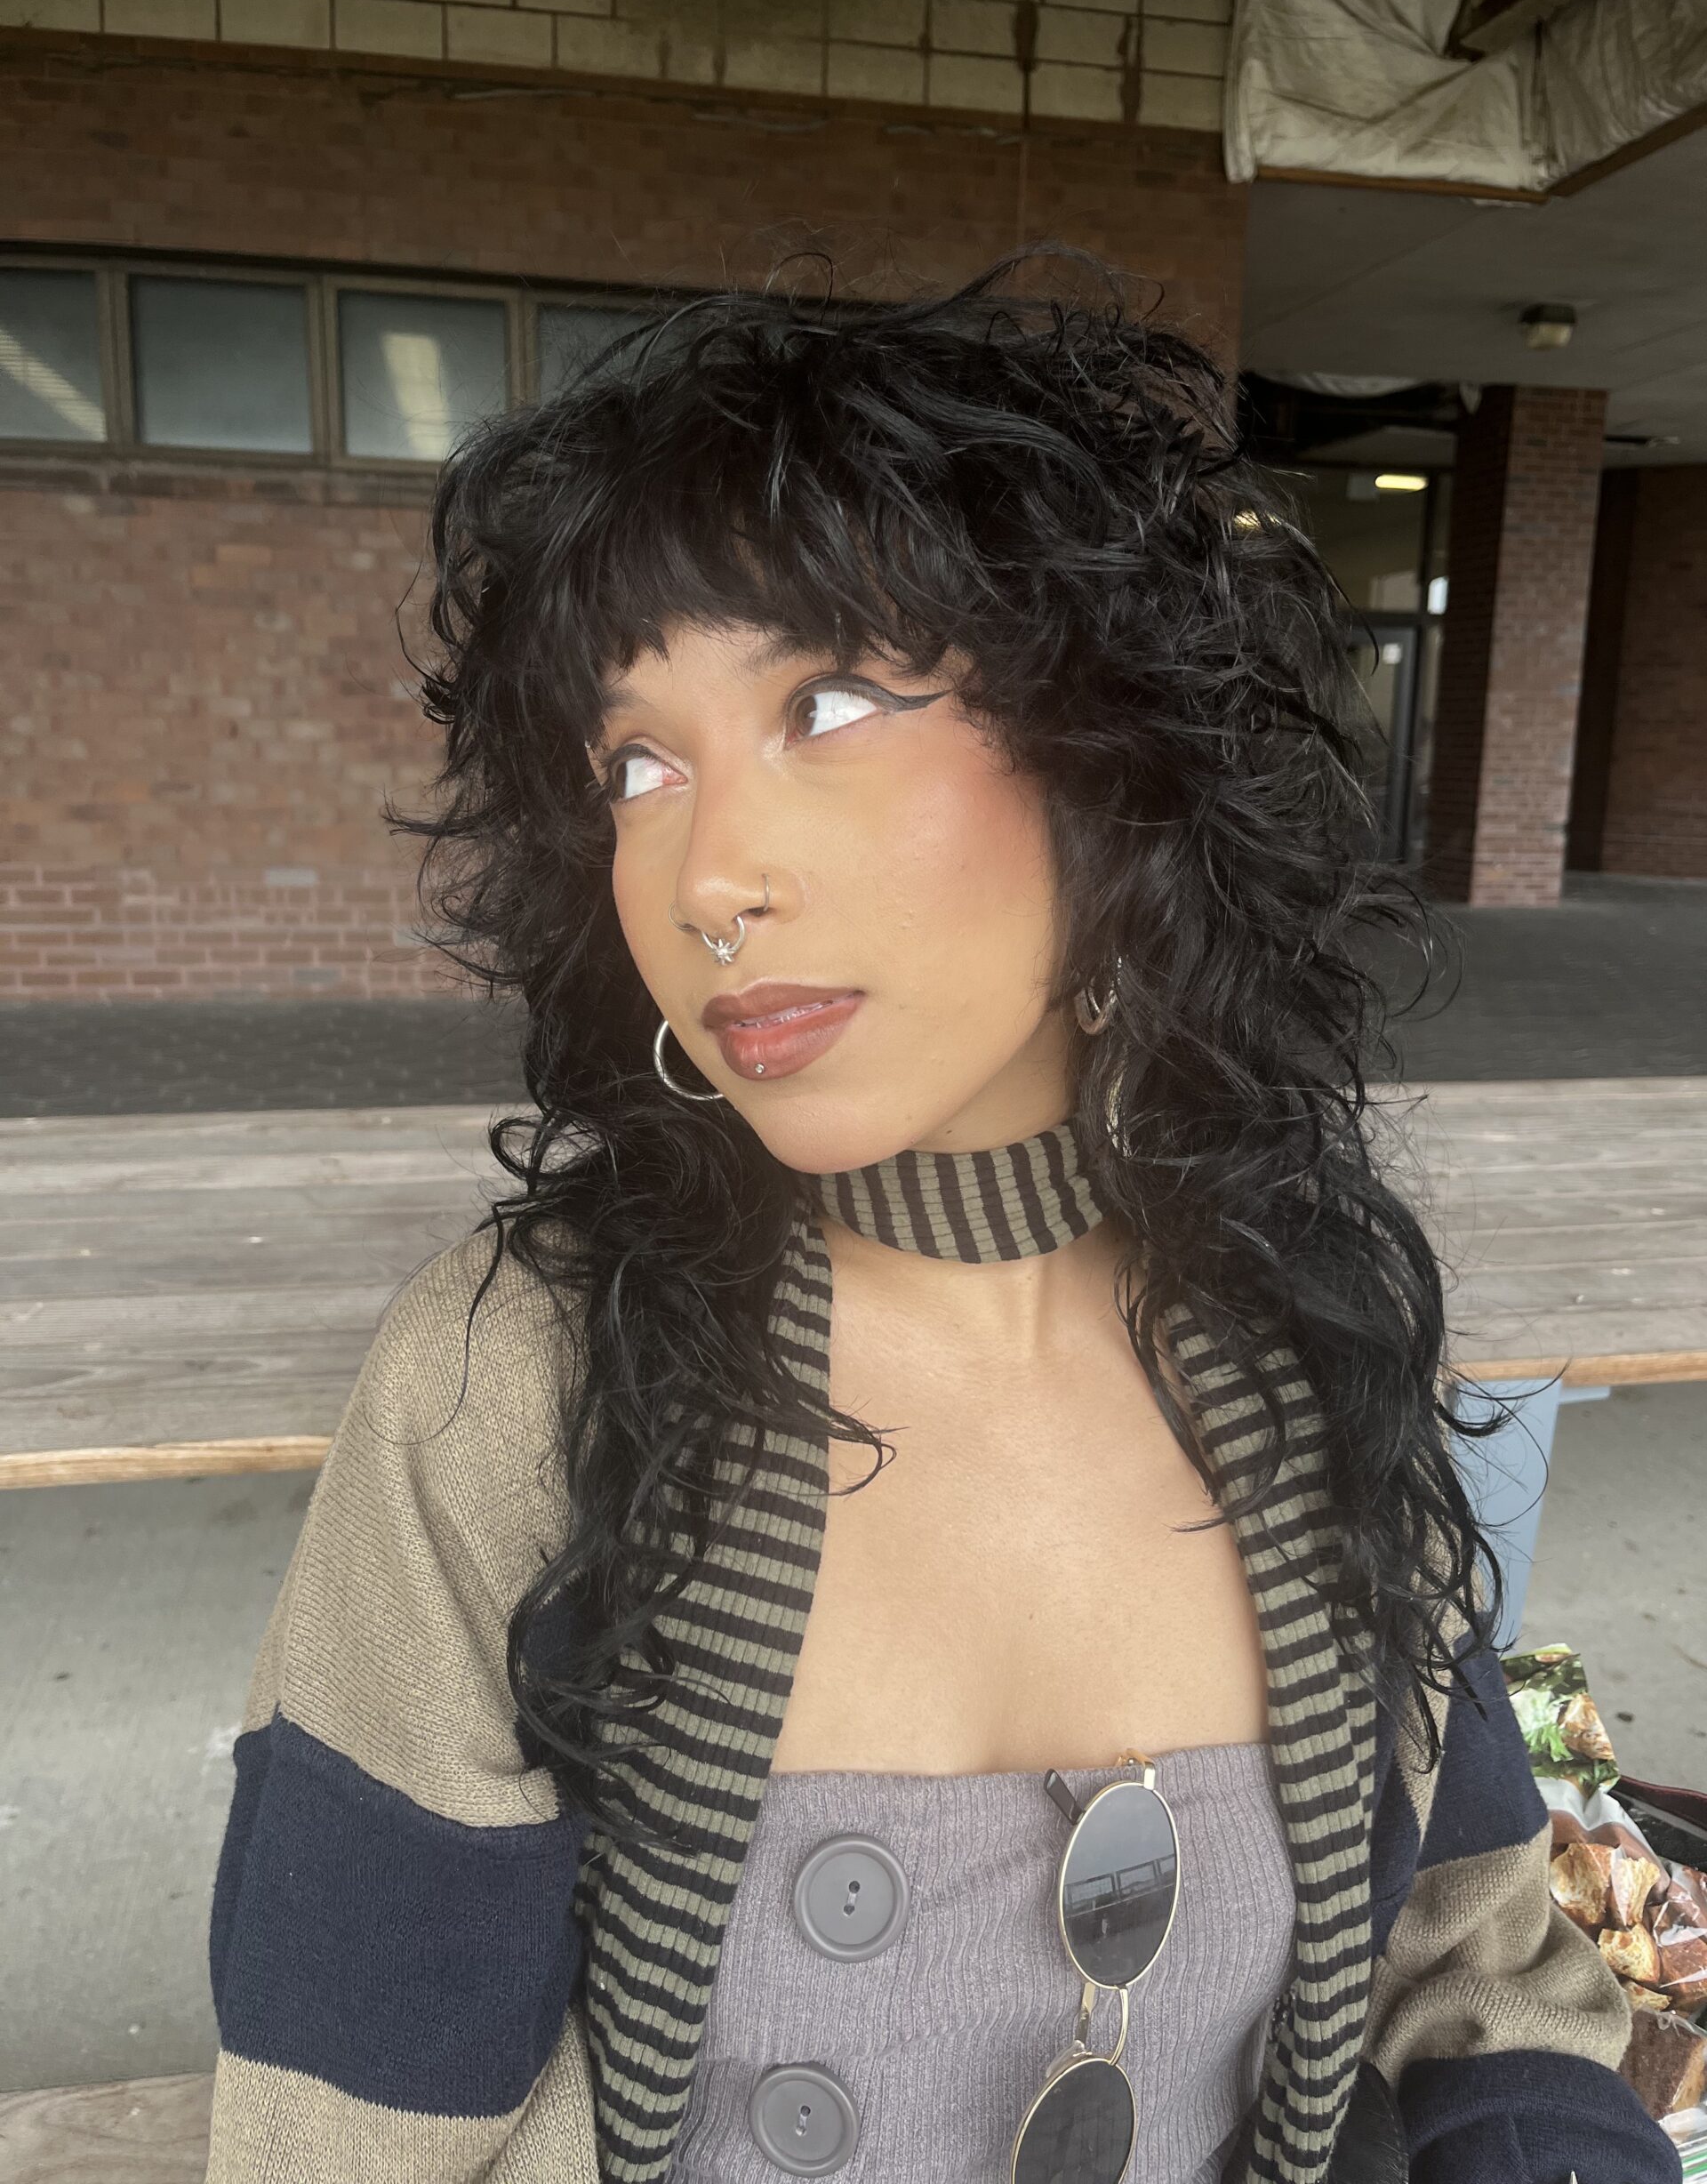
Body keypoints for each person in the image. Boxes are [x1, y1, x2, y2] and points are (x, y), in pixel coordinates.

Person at [202, 258, 1679, 2184]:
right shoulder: (513, 1387)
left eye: (826, 698)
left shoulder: (1302, 1321)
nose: (708, 872)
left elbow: (1477, 1955)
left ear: (1112, 754)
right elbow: (340, 2123)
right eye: (637, 763)